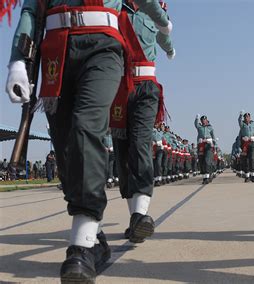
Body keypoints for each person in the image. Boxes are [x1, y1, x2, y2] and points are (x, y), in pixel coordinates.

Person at [5, 0, 173, 282]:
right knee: (64, 145)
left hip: (103, 47)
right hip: (56, 51)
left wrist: (164, 24)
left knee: (87, 127)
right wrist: (18, 60)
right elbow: (31, 9)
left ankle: (82, 244)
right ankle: (96, 237)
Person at [110, 0, 174, 243]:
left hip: (146, 87)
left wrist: (169, 49)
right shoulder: (114, 8)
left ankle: (141, 213)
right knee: (122, 151)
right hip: (117, 87)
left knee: (140, 143)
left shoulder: (152, 10)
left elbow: (163, 32)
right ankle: (135, 219)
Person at [195, 114, 216, 184]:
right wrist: (196, 118)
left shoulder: (210, 127)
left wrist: (214, 144)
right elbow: (195, 124)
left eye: (205, 120)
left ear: (207, 120)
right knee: (202, 161)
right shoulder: (199, 127)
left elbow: (213, 137)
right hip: (201, 145)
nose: (204, 121)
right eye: (202, 120)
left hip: (208, 145)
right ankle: (204, 177)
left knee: (207, 160)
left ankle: (207, 176)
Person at [238, 111, 254, 182]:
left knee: (252, 158)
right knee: (246, 160)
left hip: (252, 143)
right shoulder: (242, 124)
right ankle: (247, 176)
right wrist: (240, 115)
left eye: (248, 117)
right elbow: (239, 121)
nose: (247, 118)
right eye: (245, 117)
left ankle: (253, 175)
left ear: (250, 118)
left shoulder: (252, 124)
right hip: (244, 144)